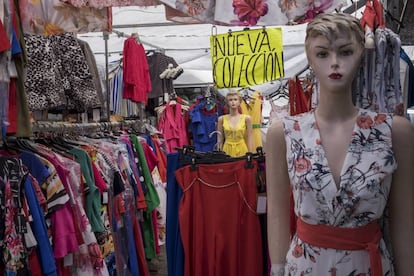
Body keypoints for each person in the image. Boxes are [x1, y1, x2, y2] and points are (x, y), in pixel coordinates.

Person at [266, 12, 414, 276]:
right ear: (310, 59)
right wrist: (276, 269)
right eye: (322, 54)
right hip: (305, 267)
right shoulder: (285, 133)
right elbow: (276, 213)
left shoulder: (394, 131)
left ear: (361, 55)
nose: (334, 63)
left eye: (345, 51)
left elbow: (404, 223)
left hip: (369, 266)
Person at [217, 90, 254, 157]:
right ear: (227, 102)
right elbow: (220, 139)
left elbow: (250, 137)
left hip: (242, 148)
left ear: (239, 102)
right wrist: (219, 154)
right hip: (227, 149)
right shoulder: (221, 119)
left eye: (235, 99)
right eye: (230, 100)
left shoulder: (246, 118)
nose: (233, 102)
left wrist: (250, 154)